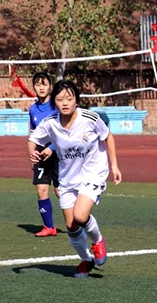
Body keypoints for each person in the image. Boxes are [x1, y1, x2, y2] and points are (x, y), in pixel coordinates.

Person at [27, 80, 122, 278]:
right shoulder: (50, 122)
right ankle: (86, 260)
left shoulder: (89, 118)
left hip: (93, 173)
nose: (65, 103)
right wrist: (32, 152)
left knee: (80, 216)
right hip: (67, 178)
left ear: (76, 101)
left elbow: (108, 136)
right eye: (60, 99)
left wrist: (114, 166)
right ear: (54, 102)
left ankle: (98, 240)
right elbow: (33, 139)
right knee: (71, 226)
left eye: (69, 99)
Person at [28, 72, 59, 237]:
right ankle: (49, 227)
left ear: (50, 87)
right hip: (41, 153)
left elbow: (65, 131)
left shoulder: (57, 106)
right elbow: (33, 134)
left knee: (60, 192)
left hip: (59, 151)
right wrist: (32, 153)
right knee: (41, 189)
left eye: (44, 84)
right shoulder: (32, 109)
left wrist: (52, 147)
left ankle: (77, 222)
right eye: (38, 84)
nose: (41, 87)